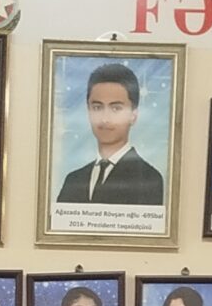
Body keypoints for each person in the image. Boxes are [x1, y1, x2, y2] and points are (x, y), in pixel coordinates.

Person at [55, 62, 165, 205]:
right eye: (97, 107)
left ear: (133, 115)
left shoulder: (149, 179)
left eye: (116, 109)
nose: (105, 119)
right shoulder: (73, 180)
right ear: (88, 111)